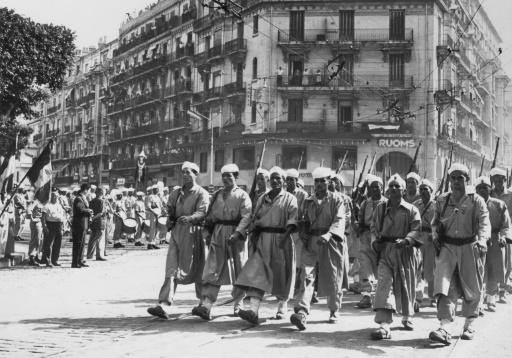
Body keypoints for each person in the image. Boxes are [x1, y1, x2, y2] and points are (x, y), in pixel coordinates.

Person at [429, 164, 491, 344]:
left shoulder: (476, 200)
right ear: (449, 180)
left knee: (472, 287)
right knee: (444, 287)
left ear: (467, 179)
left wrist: (482, 240)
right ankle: (445, 326)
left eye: (460, 178)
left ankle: (469, 324)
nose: (456, 182)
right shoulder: (442, 200)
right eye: (453, 178)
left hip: (470, 247)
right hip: (447, 248)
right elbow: (435, 222)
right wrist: (435, 237)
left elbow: (484, 223)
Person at [235, 166, 298, 324]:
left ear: (283, 181)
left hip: (281, 240)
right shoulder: (263, 198)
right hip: (263, 240)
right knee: (258, 273)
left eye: (279, 178)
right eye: (273, 178)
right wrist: (252, 234)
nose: (276, 181)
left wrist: (285, 236)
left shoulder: (290, 198)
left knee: (281, 274)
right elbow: (255, 218)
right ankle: (253, 311)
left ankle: (282, 305)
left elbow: (293, 219)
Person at [147, 161, 209, 319]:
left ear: (196, 174)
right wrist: (169, 218)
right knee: (171, 266)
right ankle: (163, 303)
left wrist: (190, 218)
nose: (186, 175)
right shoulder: (176, 193)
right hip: (176, 233)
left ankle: (204, 304)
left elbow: (203, 211)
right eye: (184, 173)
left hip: (194, 233)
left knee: (198, 267)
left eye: (190, 172)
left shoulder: (201, 193)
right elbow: (169, 208)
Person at [192, 164, 252, 320]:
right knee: (212, 268)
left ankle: (238, 302)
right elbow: (209, 215)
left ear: (236, 177)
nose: (225, 178)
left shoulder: (242, 195)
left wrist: (238, 233)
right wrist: (207, 233)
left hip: (235, 235)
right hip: (218, 233)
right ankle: (207, 304)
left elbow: (247, 216)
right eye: (223, 175)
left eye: (229, 176)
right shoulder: (217, 194)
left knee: (239, 268)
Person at [288, 167, 345, 330]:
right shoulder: (307, 201)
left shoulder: (337, 199)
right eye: (317, 181)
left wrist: (329, 234)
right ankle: (302, 312)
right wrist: (302, 232)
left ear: (329, 182)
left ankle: (334, 309)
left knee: (333, 277)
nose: (319, 184)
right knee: (306, 275)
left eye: (323, 181)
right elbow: (301, 219)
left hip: (330, 242)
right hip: (311, 242)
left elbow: (339, 219)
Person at [369, 174, 422, 340]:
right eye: (391, 186)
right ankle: (384, 324)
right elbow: (373, 228)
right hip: (386, 251)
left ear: (403, 190)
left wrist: (406, 240)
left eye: (397, 186)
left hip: (405, 251)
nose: (393, 189)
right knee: (384, 283)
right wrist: (375, 242)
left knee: (405, 283)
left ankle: (407, 316)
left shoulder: (411, 210)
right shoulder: (381, 208)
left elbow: (417, 229)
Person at [474, 176, 510, 312]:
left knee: (494, 268)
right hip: (478, 239)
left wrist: (503, 237)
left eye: (485, 188)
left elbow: (506, 225)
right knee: (479, 269)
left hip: (495, 239)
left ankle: (491, 298)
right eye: (479, 188)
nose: (482, 190)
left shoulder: (499, 204)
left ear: (490, 189)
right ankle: (479, 300)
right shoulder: (472, 204)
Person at [354, 175, 387, 309]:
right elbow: (360, 220)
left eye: (376, 187)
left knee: (381, 268)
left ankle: (382, 297)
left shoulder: (387, 203)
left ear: (381, 188)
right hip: (366, 238)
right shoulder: (365, 203)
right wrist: (357, 225)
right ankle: (366, 295)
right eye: (372, 187)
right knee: (365, 267)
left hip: (381, 238)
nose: (374, 189)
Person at [413, 179, 437, 309]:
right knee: (418, 268)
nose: (423, 192)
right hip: (418, 239)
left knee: (431, 268)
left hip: (431, 240)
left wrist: (434, 234)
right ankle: (418, 296)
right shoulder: (416, 204)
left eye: (425, 189)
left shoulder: (437, 205)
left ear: (431, 191)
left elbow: (441, 222)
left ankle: (433, 296)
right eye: (421, 189)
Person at [489, 167, 512, 301]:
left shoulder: (510, 195)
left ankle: (502, 291)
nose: (498, 183)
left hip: (506, 230)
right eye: (495, 181)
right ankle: (491, 292)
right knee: (492, 263)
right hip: (490, 231)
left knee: (506, 261)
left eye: (500, 181)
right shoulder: (488, 192)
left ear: (505, 180)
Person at [42, 191, 67, 267]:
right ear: (50, 197)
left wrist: (63, 227)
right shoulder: (47, 206)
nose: (55, 198)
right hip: (50, 225)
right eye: (53, 196)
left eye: (56, 196)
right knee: (48, 244)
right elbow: (43, 218)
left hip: (59, 225)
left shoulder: (59, 205)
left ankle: (55, 260)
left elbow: (63, 216)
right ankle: (47, 260)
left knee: (57, 244)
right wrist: (44, 226)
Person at [71, 183, 93, 268]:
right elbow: (80, 209)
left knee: (82, 243)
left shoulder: (82, 198)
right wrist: (89, 210)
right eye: (89, 190)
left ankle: (80, 260)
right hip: (79, 223)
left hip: (83, 223)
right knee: (78, 243)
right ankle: (75, 262)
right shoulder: (78, 198)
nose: (89, 192)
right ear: (86, 190)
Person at [87, 188, 109, 261]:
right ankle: (99, 255)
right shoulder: (102, 201)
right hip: (100, 221)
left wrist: (92, 219)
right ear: (102, 193)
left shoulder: (92, 201)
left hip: (93, 222)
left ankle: (89, 255)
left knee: (92, 238)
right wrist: (95, 218)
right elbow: (101, 213)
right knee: (99, 238)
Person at [28, 199, 44, 266]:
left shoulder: (43, 202)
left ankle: (36, 256)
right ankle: (32, 257)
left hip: (41, 221)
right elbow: (29, 210)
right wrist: (32, 219)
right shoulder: (35, 201)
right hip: (36, 221)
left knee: (40, 240)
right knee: (35, 240)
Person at [146, 185, 162, 250]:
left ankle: (153, 243)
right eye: (155, 189)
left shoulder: (157, 197)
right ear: (153, 190)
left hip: (158, 214)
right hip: (153, 214)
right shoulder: (151, 197)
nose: (157, 190)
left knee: (156, 229)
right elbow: (148, 207)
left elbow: (160, 206)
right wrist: (154, 213)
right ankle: (149, 243)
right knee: (152, 228)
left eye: (157, 189)